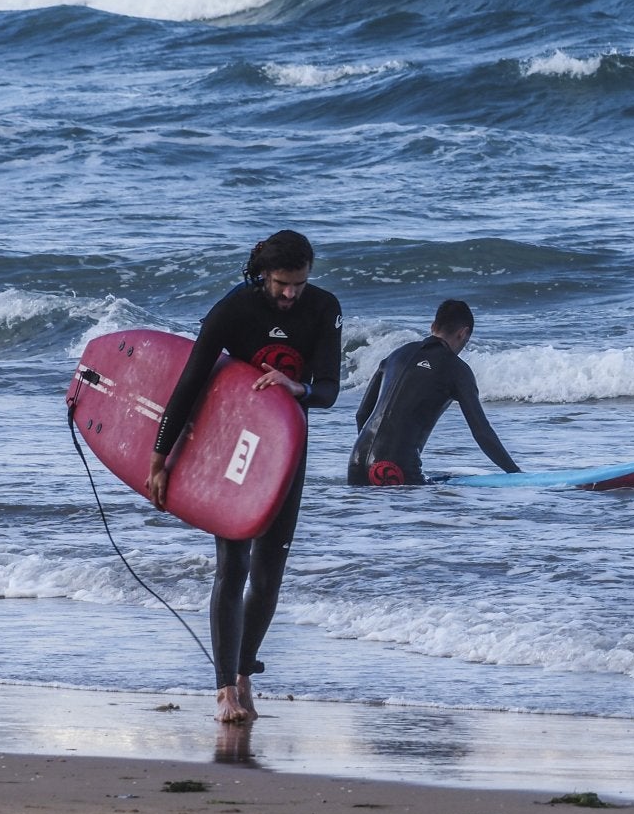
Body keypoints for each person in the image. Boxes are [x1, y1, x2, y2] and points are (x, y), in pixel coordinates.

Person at [146, 229, 341, 724]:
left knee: (270, 574)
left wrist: (293, 386)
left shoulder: (323, 309)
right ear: (262, 275)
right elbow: (191, 381)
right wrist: (159, 457)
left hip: (287, 452)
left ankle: (244, 672)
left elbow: (329, 390)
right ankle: (224, 691)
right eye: (281, 283)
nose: (290, 293)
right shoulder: (232, 310)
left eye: (298, 283)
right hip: (229, 446)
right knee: (233, 567)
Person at [348, 299, 519, 486]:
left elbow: (361, 414)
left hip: (357, 460)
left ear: (433, 326)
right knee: (444, 510)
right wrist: (515, 473)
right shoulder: (457, 369)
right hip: (394, 468)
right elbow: (482, 432)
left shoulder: (396, 355)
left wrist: (373, 458)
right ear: (464, 333)